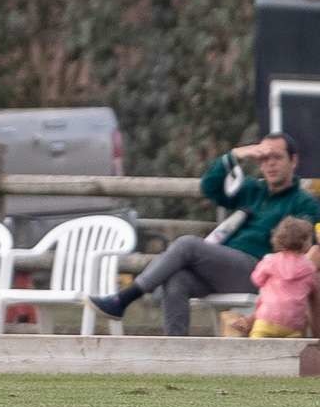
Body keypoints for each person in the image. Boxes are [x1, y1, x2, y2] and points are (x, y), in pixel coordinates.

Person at [88, 133, 320, 335]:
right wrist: (236, 155)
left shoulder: (303, 203)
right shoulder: (252, 190)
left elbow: (314, 245)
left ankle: (123, 299)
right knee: (176, 280)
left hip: (260, 272)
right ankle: (176, 355)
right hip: (223, 266)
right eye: (264, 158)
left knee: (188, 244)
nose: (270, 164)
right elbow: (210, 187)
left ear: (294, 160)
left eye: (277, 157)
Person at [221, 217, 317, 338]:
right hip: (294, 324)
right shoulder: (309, 268)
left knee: (257, 348)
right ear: (306, 242)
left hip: (267, 319)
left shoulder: (270, 260)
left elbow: (257, 279)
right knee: (291, 353)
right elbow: (312, 289)